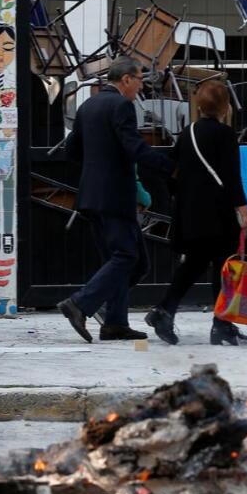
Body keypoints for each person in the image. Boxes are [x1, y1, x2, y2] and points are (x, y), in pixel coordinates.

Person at [57, 56, 174, 342]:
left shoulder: (88, 105)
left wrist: (97, 166)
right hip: (114, 196)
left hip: (92, 196)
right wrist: (170, 166)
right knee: (126, 256)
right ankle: (80, 303)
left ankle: (114, 323)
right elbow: (134, 147)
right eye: (139, 81)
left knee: (133, 261)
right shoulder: (122, 105)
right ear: (126, 80)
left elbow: (70, 152)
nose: (140, 88)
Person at [145, 79, 247, 346]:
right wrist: (245, 212)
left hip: (190, 212)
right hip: (217, 214)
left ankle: (165, 312)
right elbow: (231, 177)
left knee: (195, 264)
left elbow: (169, 169)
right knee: (224, 267)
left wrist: (181, 194)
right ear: (225, 107)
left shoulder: (188, 132)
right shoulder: (226, 135)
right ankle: (221, 325)